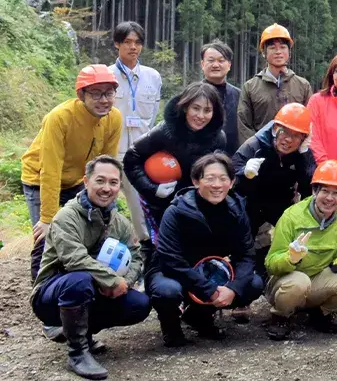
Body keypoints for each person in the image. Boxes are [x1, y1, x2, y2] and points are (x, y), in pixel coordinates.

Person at [30, 156, 150, 380]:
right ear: (86, 181)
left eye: (113, 183)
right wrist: (111, 280)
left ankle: (84, 334)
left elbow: (136, 255)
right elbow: (74, 259)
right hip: (52, 294)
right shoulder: (67, 216)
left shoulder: (119, 221)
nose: (107, 188)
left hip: (94, 290)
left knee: (139, 304)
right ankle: (77, 352)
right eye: (100, 181)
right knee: (80, 280)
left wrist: (125, 283)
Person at [147, 153, 264, 347]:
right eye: (209, 178)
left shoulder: (237, 210)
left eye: (223, 179)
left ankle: (198, 316)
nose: (217, 185)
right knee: (168, 291)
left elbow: (246, 254)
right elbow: (170, 259)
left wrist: (232, 289)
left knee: (254, 283)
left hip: (211, 269)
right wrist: (209, 289)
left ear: (232, 182)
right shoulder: (176, 211)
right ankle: (170, 325)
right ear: (195, 181)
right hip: (172, 272)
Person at [21, 65, 123, 280]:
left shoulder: (114, 118)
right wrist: (48, 218)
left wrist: (108, 198)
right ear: (81, 95)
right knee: (46, 235)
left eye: (109, 93)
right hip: (40, 178)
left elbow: (106, 163)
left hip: (78, 179)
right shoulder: (59, 118)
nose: (104, 99)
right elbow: (50, 168)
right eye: (96, 93)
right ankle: (41, 287)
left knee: (90, 226)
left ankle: (84, 280)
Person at [263, 160, 337, 340]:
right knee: (299, 281)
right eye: (325, 191)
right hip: (287, 282)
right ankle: (280, 316)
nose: (330, 198)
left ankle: (320, 314)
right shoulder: (291, 216)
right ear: (314, 191)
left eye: (336, 193)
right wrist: (290, 258)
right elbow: (271, 264)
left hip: (318, 281)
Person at [123, 82, 226, 251]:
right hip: (160, 205)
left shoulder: (218, 138)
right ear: (185, 107)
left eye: (207, 110)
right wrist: (152, 189)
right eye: (196, 108)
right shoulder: (164, 131)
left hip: (196, 205)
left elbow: (220, 170)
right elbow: (131, 158)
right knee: (162, 250)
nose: (200, 115)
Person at [232, 103, 317, 278]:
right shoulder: (254, 145)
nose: (288, 140)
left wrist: (304, 157)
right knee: (244, 240)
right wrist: (244, 173)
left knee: (294, 231)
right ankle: (240, 279)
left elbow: (309, 188)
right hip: (251, 199)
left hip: (281, 200)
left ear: (303, 139)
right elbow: (230, 177)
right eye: (284, 132)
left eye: (296, 136)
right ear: (275, 129)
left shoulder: (302, 152)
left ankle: (285, 274)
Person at [109, 21, 162, 240]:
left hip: (139, 154)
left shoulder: (153, 77)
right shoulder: (106, 75)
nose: (133, 47)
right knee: (105, 205)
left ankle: (146, 251)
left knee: (141, 209)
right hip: (110, 152)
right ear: (117, 44)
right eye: (128, 42)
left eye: (138, 42)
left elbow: (152, 116)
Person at [237, 23, 312, 145]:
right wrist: (255, 150)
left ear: (289, 52)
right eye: (272, 48)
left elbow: (310, 122)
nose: (278, 52)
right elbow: (244, 125)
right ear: (263, 52)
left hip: (295, 154)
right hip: (261, 153)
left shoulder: (303, 86)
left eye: (282, 47)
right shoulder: (250, 87)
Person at [200, 39, 241, 156]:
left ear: (229, 65)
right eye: (211, 60)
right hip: (199, 160)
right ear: (202, 64)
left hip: (233, 159)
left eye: (221, 60)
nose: (216, 65)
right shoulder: (191, 94)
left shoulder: (239, 95)